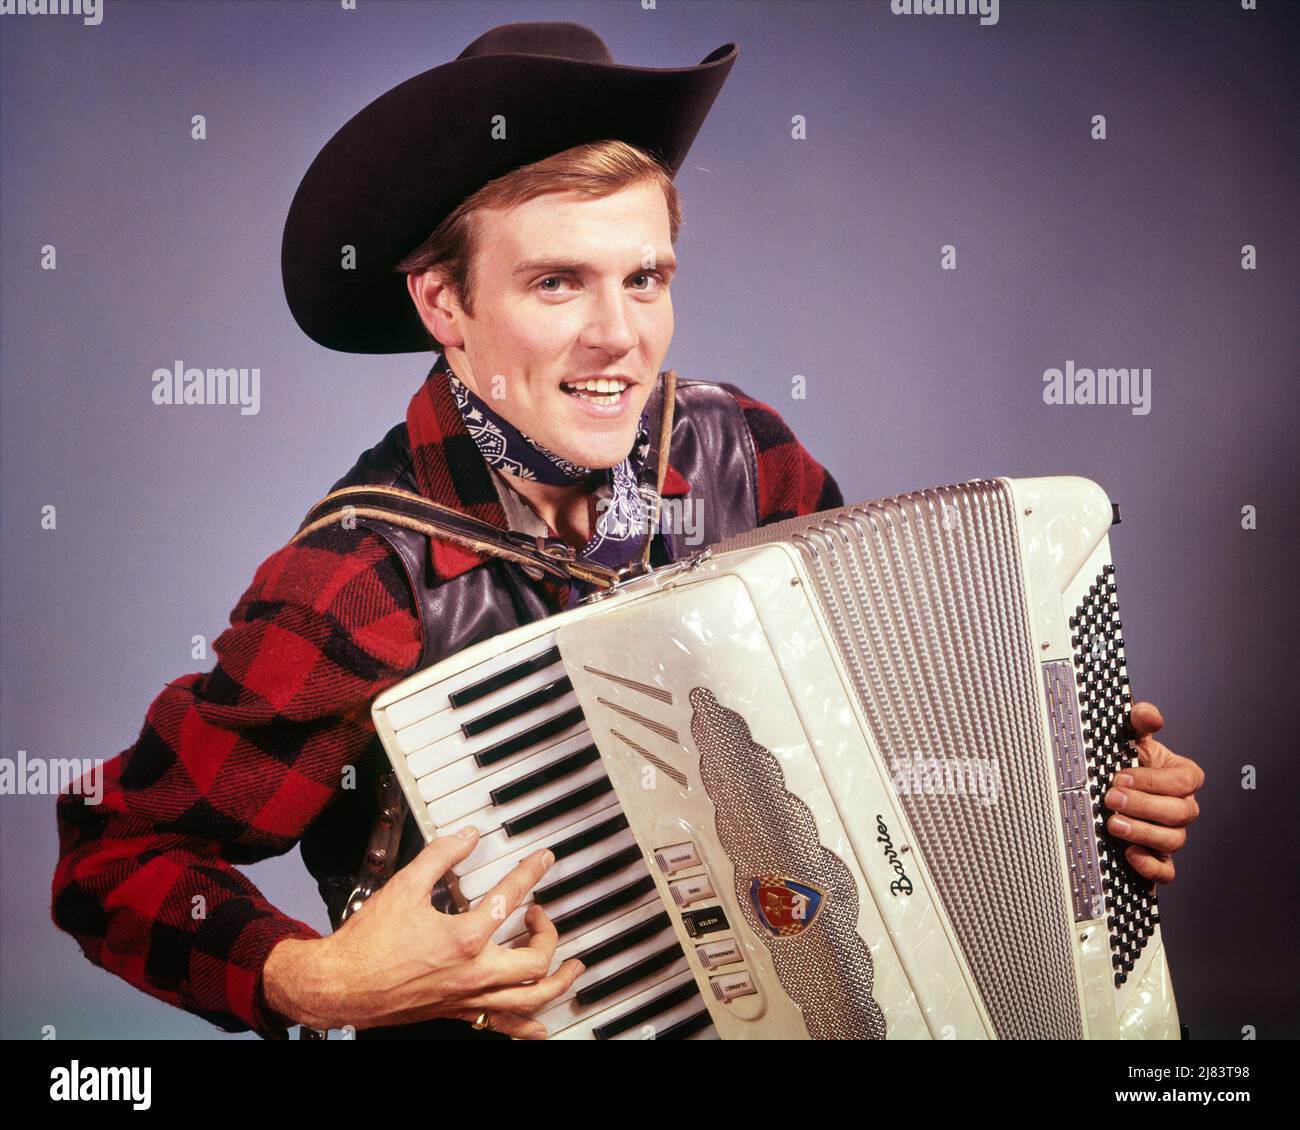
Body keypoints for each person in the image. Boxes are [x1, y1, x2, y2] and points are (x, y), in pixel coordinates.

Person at [50, 22, 1203, 1042]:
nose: (620, 337)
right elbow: (112, 859)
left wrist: (1074, 779)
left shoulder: (744, 447)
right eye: (557, 284)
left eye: (646, 277)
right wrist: (318, 978)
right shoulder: (359, 578)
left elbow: (875, 731)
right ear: (444, 304)